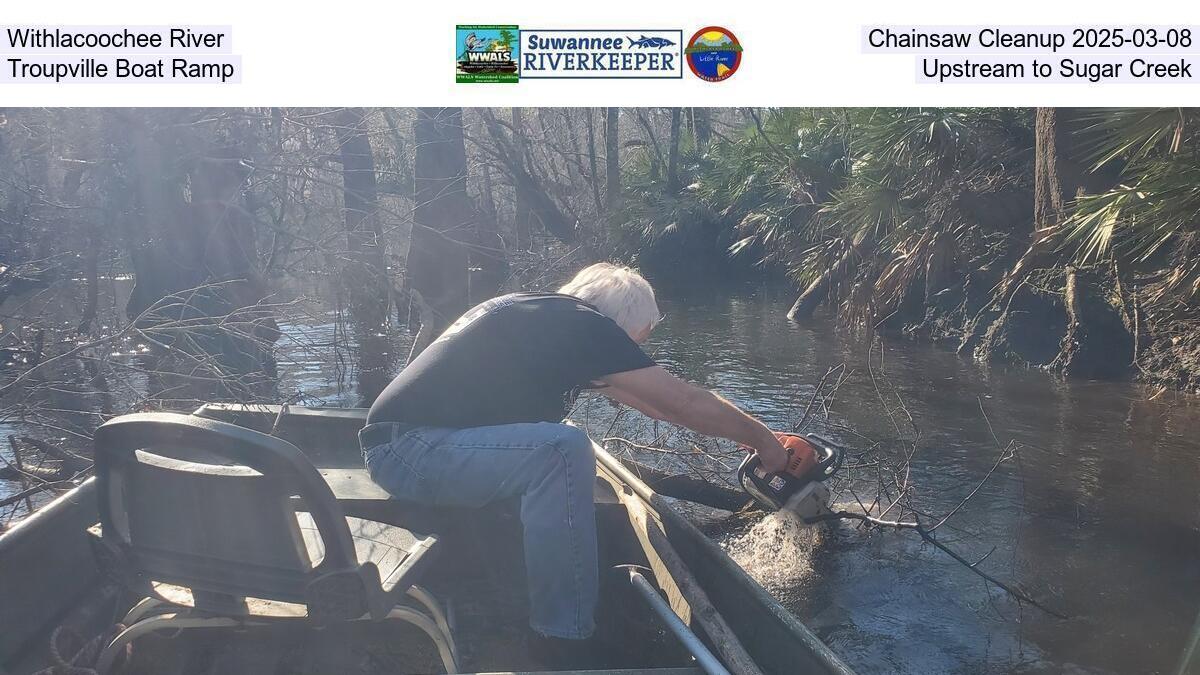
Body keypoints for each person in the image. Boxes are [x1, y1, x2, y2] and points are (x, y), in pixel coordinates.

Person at [359, 262, 789, 648]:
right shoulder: (582, 324)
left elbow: (658, 404)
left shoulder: (546, 317)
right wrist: (768, 443)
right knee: (563, 449)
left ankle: (538, 598)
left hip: (414, 448)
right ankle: (564, 632)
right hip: (410, 452)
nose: (636, 351)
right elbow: (682, 401)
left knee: (560, 442)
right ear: (620, 322)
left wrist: (748, 434)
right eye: (638, 340)